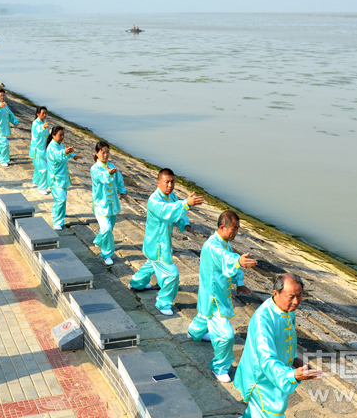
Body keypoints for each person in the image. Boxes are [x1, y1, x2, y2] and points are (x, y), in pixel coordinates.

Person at [234, 273, 322, 417]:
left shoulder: (286, 311)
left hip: (276, 372)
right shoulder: (263, 320)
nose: (296, 301)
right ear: (275, 293)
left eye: (299, 295)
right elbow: (266, 358)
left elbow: (288, 339)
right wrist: (291, 375)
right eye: (291, 297)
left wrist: (294, 359)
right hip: (262, 378)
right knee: (272, 413)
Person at [187, 211, 258, 382]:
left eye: (237, 229)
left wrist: (239, 282)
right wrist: (238, 262)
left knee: (204, 316)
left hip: (216, 293)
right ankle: (219, 367)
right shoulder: (213, 247)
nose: (236, 233)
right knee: (226, 336)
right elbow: (226, 258)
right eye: (234, 229)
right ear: (222, 227)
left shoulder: (224, 243)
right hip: (214, 298)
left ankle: (193, 333)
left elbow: (228, 259)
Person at [128, 168, 204, 315]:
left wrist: (185, 224)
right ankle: (163, 303)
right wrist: (186, 203)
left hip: (163, 243)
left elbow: (177, 213)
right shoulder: (154, 200)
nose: (170, 185)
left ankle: (136, 283)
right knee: (172, 274)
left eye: (172, 182)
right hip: (157, 245)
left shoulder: (172, 196)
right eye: (166, 182)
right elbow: (167, 211)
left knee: (151, 264)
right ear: (158, 182)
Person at [90, 140, 130, 265]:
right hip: (101, 205)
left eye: (107, 152)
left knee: (109, 229)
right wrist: (108, 173)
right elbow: (102, 178)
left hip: (112, 205)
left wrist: (123, 193)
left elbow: (119, 180)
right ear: (97, 153)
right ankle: (106, 254)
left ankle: (98, 240)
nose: (106, 155)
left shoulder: (112, 166)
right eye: (103, 152)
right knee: (106, 228)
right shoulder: (95, 169)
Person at [45, 126, 82, 231]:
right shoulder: (52, 147)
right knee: (61, 199)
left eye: (63, 135)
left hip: (62, 177)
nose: (62, 137)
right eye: (60, 135)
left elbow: (65, 152)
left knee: (60, 198)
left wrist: (73, 155)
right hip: (56, 178)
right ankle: (57, 221)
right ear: (53, 135)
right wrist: (65, 152)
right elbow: (58, 156)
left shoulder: (59, 145)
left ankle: (56, 211)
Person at [0, 88, 19, 166]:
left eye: (3, 96)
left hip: (4, 128)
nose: (2, 97)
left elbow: (9, 114)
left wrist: (15, 121)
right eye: (0, 96)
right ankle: (3, 160)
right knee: (5, 144)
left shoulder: (4, 104)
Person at [29, 106, 49, 194]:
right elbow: (38, 131)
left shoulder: (44, 122)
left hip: (43, 150)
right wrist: (44, 127)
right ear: (38, 114)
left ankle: (35, 182)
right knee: (44, 169)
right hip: (37, 151)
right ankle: (42, 187)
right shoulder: (36, 123)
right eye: (43, 113)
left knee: (38, 168)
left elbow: (46, 135)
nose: (44, 115)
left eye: (45, 113)